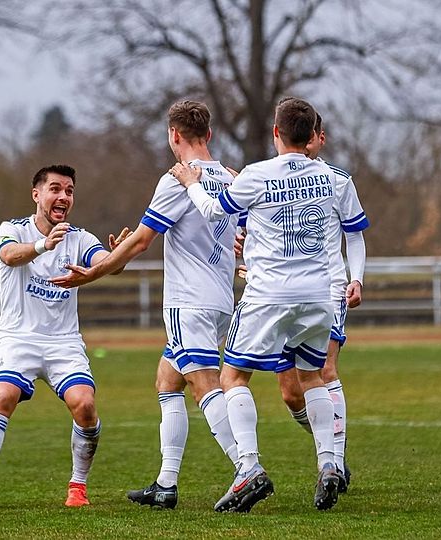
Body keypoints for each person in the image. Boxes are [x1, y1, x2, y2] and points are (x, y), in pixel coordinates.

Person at [50, 100, 240, 510]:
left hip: (187, 300)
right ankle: (166, 484)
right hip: (220, 300)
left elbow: (141, 240)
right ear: (208, 134)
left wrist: (94, 272)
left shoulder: (177, 179)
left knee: (203, 384)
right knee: (167, 381)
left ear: (174, 135)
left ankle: (247, 469)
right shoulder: (229, 177)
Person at [171, 97, 343, 512]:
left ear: (275, 133)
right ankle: (329, 463)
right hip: (318, 294)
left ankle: (248, 467)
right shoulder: (329, 176)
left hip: (268, 294)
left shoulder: (258, 174)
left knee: (233, 377)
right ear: (311, 136)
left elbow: (215, 211)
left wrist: (190, 181)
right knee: (313, 377)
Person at [0, 165, 130, 509]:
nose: (64, 197)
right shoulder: (10, 229)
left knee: (85, 406)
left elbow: (106, 263)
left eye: (69, 191)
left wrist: (119, 256)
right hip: (18, 337)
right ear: (36, 194)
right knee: (3, 396)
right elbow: (10, 256)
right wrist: (42, 245)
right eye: (55, 189)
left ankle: (78, 487)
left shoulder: (80, 238)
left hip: (63, 342)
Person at [266, 122, 368, 493]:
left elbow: (354, 235)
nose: (308, 142)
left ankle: (333, 463)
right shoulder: (269, 179)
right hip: (280, 294)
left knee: (324, 368)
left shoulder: (338, 180)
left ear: (320, 139)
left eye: (313, 135)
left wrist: (356, 277)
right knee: (291, 393)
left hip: (328, 289)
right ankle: (330, 444)